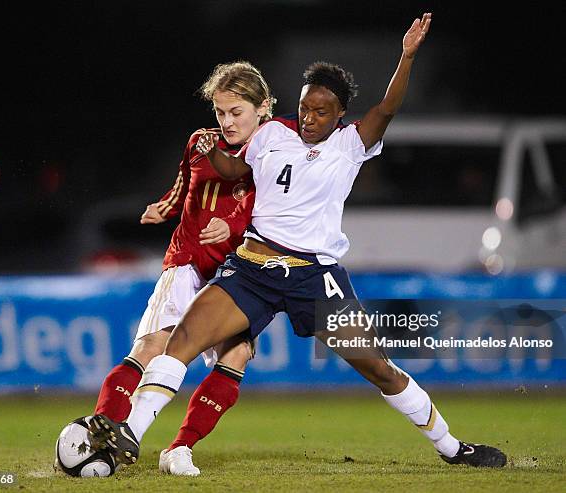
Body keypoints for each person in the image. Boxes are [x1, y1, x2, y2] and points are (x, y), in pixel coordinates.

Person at [91, 13, 507, 469]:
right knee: (184, 339)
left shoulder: (350, 145)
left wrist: (406, 57)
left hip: (315, 276)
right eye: (306, 107)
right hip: (252, 268)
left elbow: (387, 107)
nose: (309, 117)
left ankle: (452, 448)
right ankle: (131, 433)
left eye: (321, 111)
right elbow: (235, 171)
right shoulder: (272, 134)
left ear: (340, 114)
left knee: (379, 368)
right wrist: (213, 154)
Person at [89, 61, 276, 476]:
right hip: (188, 261)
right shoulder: (200, 143)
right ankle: (102, 427)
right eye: (220, 112)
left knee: (237, 355)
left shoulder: (277, 151)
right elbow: (183, 185)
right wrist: (165, 208)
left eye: (235, 112)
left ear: (262, 107)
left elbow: (279, 209)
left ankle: (178, 448)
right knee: (154, 346)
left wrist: (234, 223)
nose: (226, 122)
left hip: (235, 271)